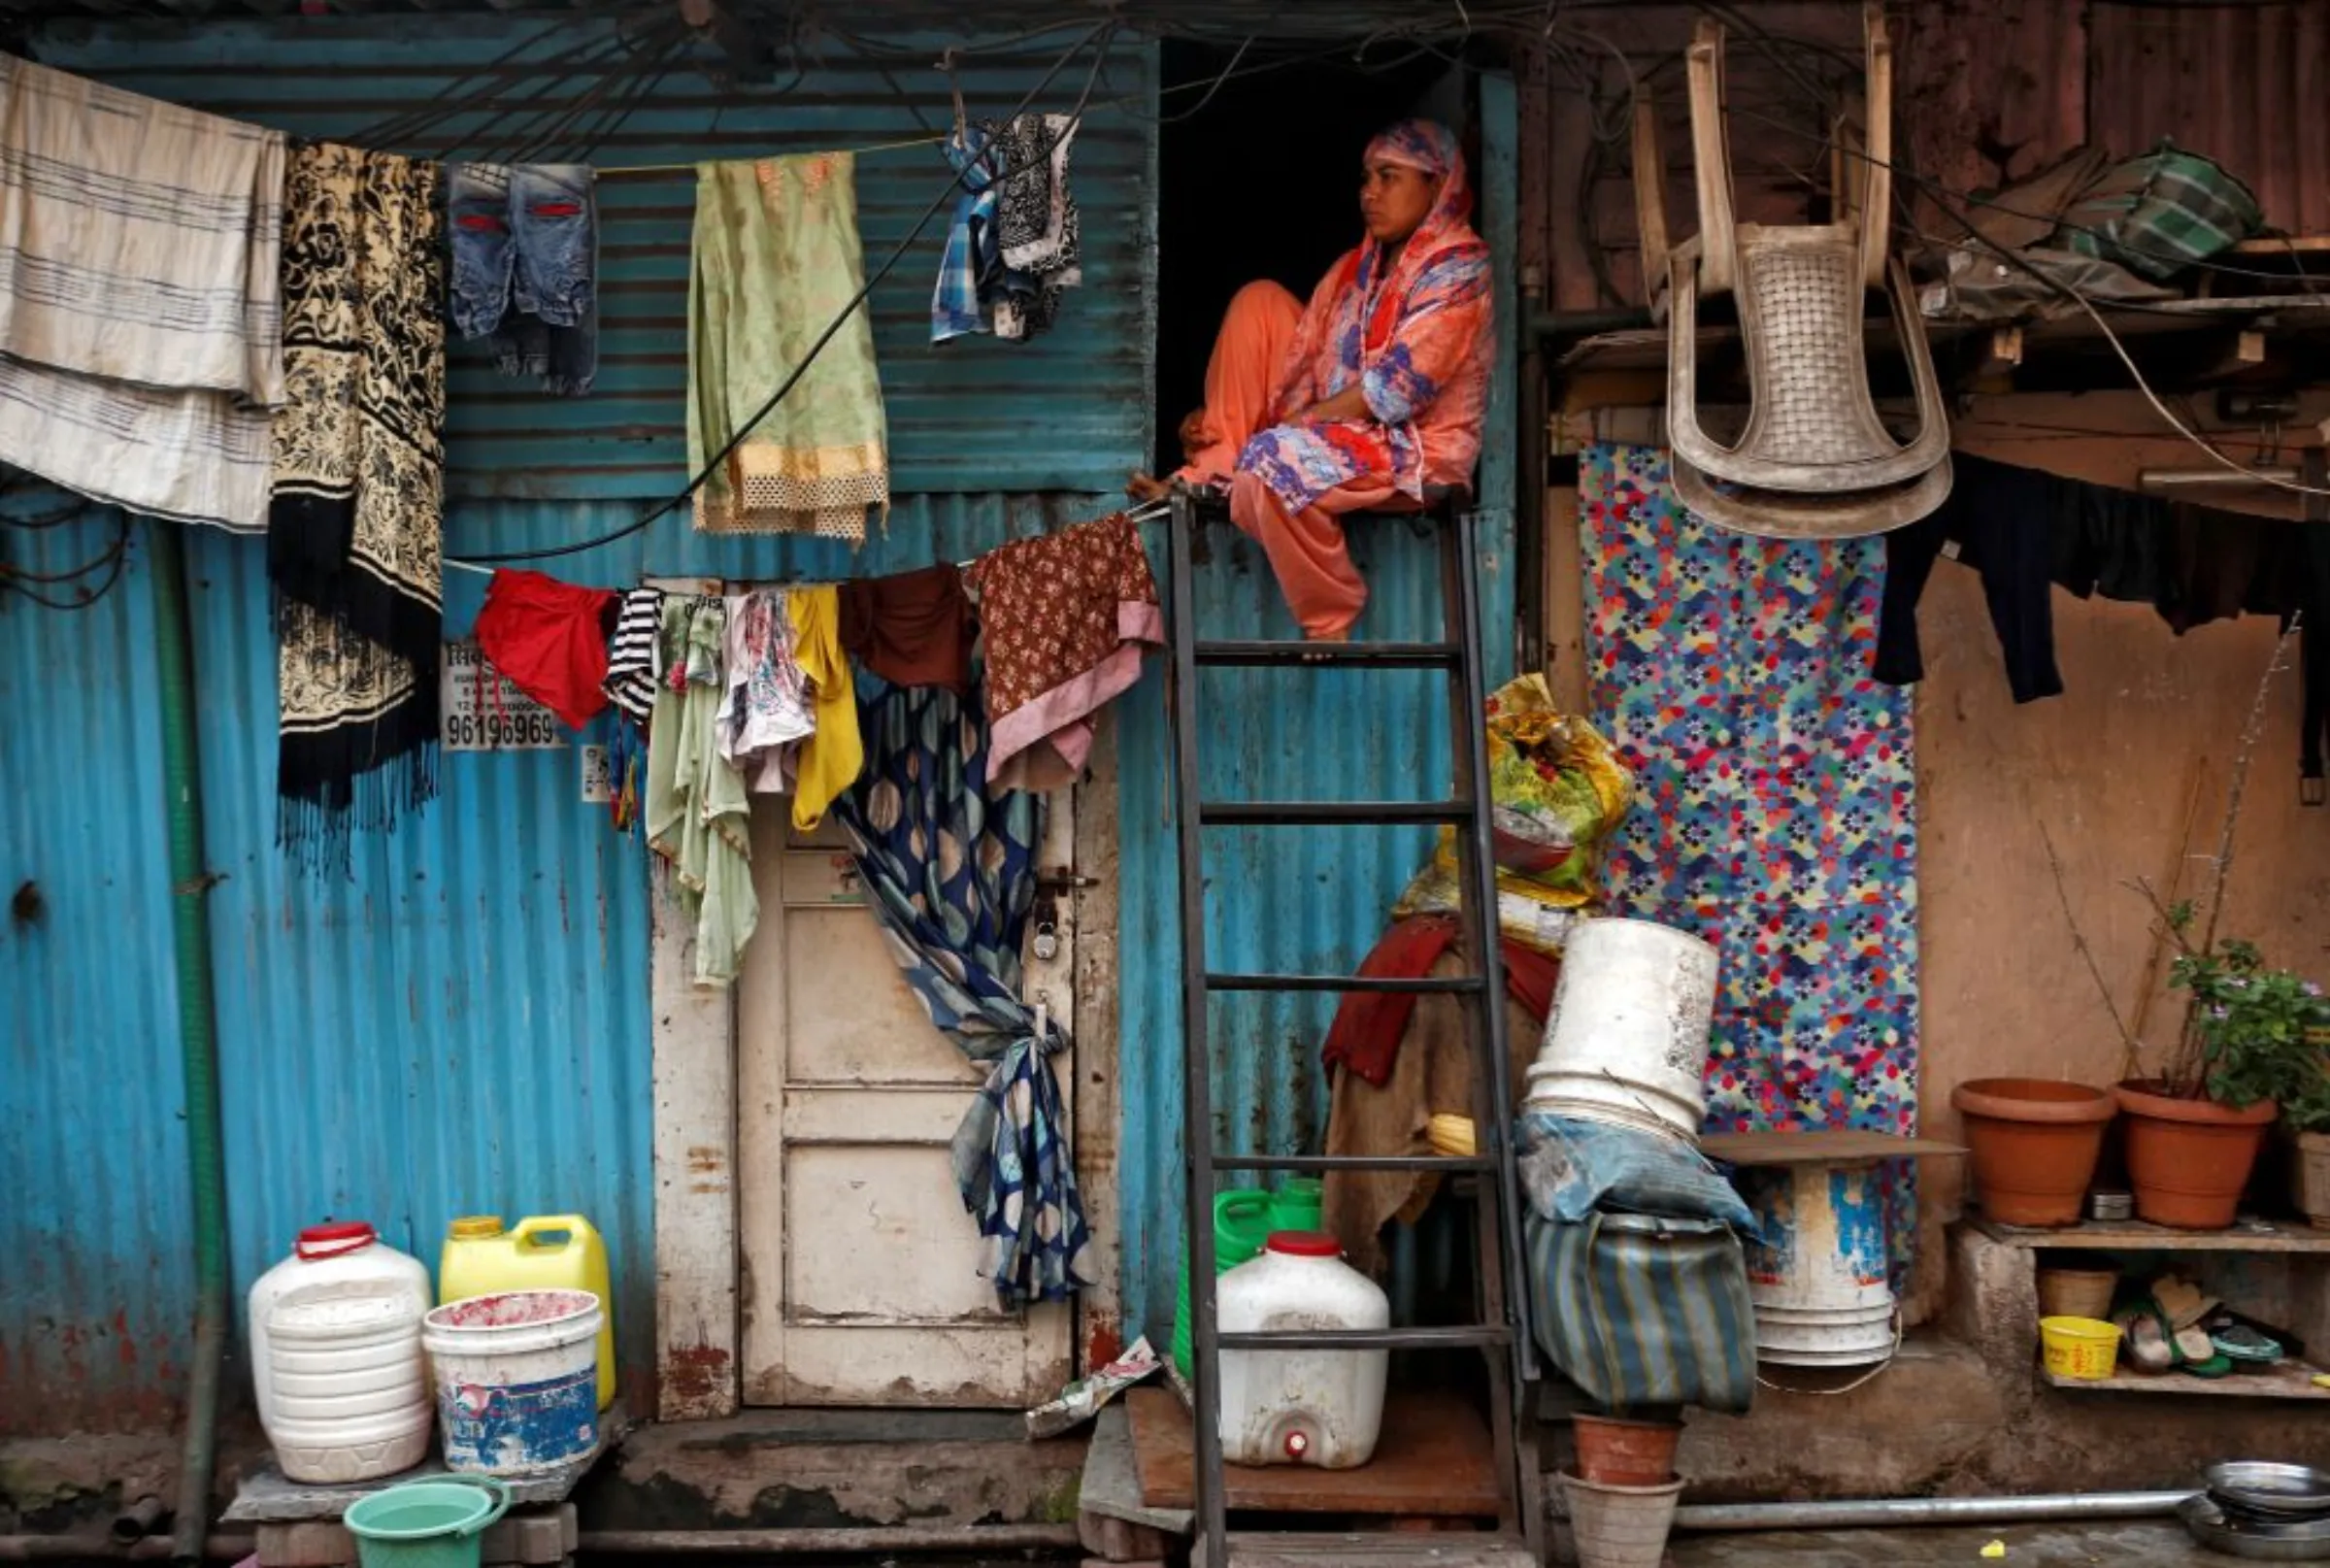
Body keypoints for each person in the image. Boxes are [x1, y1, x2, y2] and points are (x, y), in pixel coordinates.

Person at [1132, 120, 1494, 641]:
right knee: (1259, 303)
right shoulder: (1357, 267)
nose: (1368, 192)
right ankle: (1215, 460)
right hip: (1339, 427)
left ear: (1437, 185)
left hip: (1415, 446)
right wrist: (1222, 414)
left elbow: (1396, 390)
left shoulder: (1459, 266)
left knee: (1267, 466)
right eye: (1366, 177)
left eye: (1388, 177)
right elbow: (1305, 364)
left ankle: (1329, 613)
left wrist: (1298, 425)